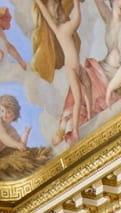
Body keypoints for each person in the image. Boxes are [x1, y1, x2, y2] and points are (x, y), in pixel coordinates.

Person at [32, 0, 91, 147]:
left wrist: (39, 3)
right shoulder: (63, 28)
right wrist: (76, 4)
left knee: (88, 84)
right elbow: (77, 19)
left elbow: (46, 15)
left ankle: (90, 114)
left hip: (76, 66)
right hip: (71, 68)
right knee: (77, 99)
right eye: (62, 11)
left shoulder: (58, 28)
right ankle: (76, 131)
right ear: (58, 15)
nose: (65, 13)